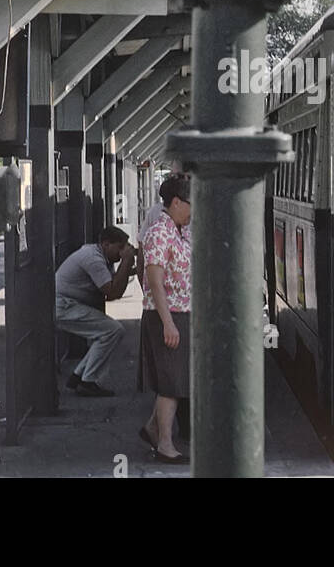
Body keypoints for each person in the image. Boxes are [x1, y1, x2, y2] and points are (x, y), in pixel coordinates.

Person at [139, 174, 192, 463]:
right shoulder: (160, 232)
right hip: (166, 315)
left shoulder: (176, 229)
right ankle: (165, 445)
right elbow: (155, 282)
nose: (192, 211)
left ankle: (152, 428)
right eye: (190, 204)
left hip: (178, 313)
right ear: (176, 202)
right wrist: (168, 323)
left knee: (176, 380)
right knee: (171, 385)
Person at [54, 226, 142, 397]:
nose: (121, 252)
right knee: (113, 330)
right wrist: (126, 262)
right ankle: (88, 380)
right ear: (106, 244)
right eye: (120, 247)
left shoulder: (100, 256)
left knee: (106, 333)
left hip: (67, 304)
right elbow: (112, 292)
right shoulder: (93, 259)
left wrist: (131, 265)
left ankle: (78, 376)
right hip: (63, 306)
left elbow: (113, 288)